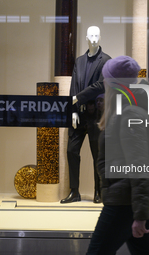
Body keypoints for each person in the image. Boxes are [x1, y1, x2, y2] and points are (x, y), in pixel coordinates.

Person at [86, 56, 149, 255]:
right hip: (127, 199)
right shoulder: (125, 111)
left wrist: (141, 215)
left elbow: (140, 165)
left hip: (123, 202)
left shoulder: (129, 114)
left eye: (106, 79)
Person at [61, 26, 111, 204]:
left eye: (97, 35)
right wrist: (73, 110)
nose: (95, 39)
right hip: (79, 115)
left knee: (98, 154)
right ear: (86, 38)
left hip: (96, 115)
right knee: (71, 151)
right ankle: (74, 191)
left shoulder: (106, 61)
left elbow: (100, 85)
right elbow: (73, 85)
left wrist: (77, 98)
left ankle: (99, 192)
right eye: (91, 36)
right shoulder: (79, 61)